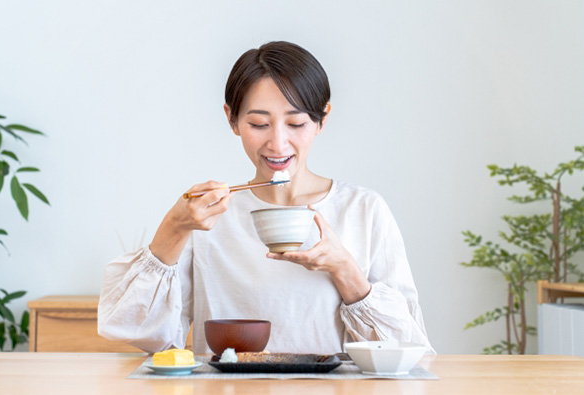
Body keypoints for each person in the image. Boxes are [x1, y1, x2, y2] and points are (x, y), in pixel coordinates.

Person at [98, 41, 434, 355]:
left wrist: (345, 270)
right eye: (259, 124)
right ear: (232, 119)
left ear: (322, 119)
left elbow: (408, 352)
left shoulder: (362, 210)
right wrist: (173, 227)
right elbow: (135, 330)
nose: (278, 143)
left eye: (296, 123)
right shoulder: (208, 217)